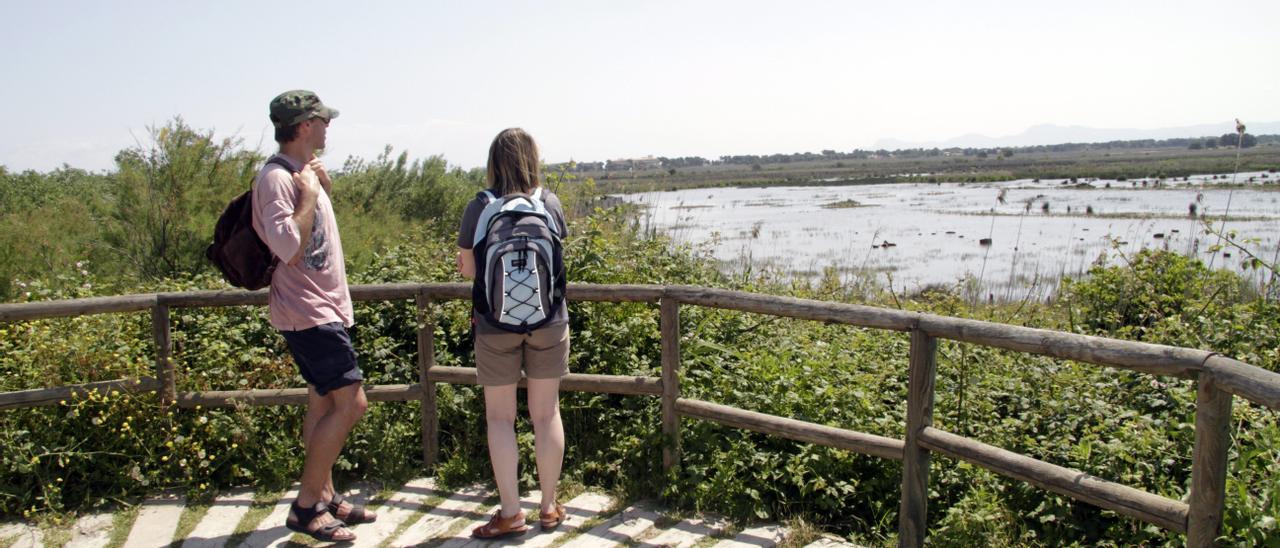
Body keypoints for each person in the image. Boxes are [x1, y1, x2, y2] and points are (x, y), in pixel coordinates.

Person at [251, 90, 376, 542]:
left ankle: (324, 496)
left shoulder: (303, 173)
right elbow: (287, 248)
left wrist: (319, 189)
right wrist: (306, 195)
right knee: (352, 402)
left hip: (324, 307)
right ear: (304, 125)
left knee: (323, 403)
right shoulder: (276, 180)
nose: (329, 127)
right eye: (323, 120)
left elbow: (317, 240)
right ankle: (305, 509)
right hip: (307, 311)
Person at [457, 128, 571, 538]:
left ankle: (510, 512)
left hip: (493, 323)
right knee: (546, 414)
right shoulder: (549, 202)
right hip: (549, 321)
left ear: (493, 162)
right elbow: (556, 262)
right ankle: (548, 507)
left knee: (501, 418)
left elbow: (469, 269)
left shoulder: (480, 205)